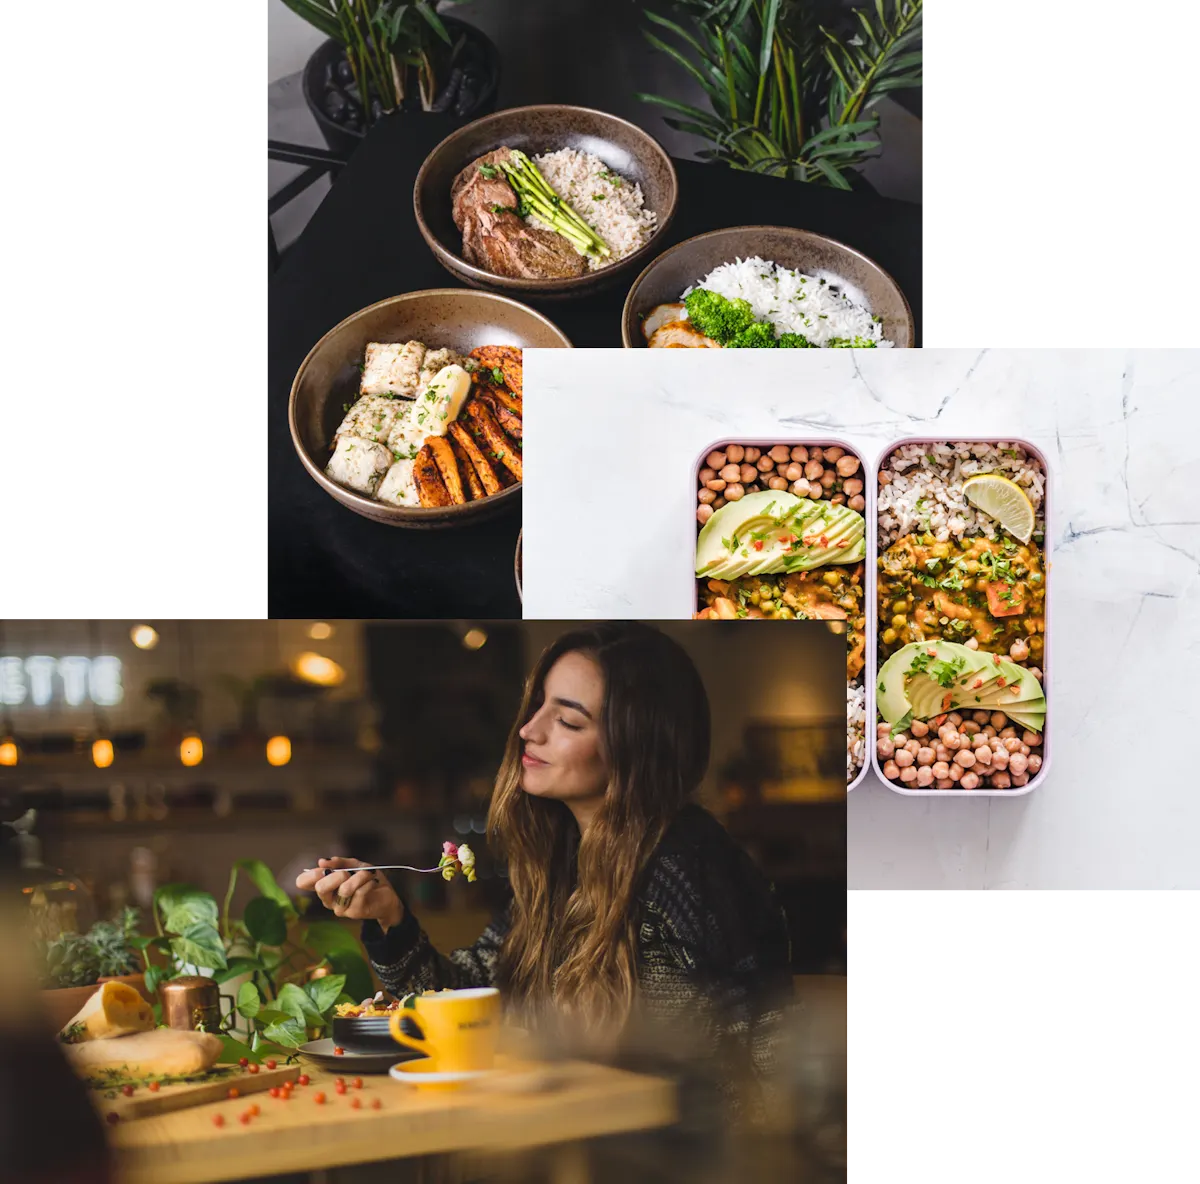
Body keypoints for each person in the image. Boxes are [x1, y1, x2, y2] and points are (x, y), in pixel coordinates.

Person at [296, 622, 794, 1122]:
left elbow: (771, 1048)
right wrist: (390, 918)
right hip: (577, 1137)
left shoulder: (686, 865)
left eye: (570, 722)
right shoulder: (560, 861)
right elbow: (475, 998)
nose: (529, 730)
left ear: (636, 746)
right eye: (538, 706)